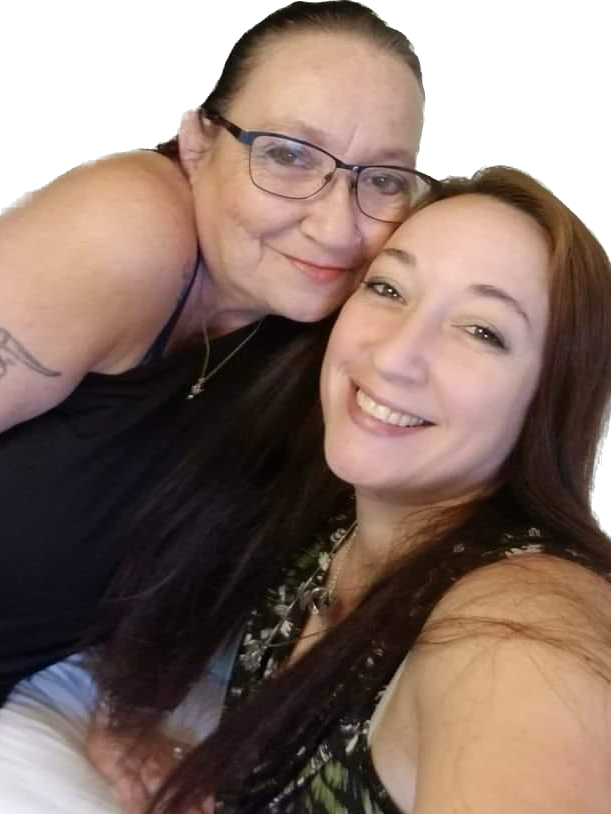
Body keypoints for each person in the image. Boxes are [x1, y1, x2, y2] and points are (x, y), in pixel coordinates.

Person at [87, 165, 611, 814]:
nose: (393, 355)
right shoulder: (327, 517)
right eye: (387, 287)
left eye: (482, 330)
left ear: (548, 400)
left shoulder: (529, 624)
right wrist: (127, 716)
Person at [0, 0, 432, 706]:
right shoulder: (122, 233)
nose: (336, 227)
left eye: (382, 178)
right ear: (197, 144)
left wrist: (127, 704)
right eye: (287, 155)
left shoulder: (328, 322)